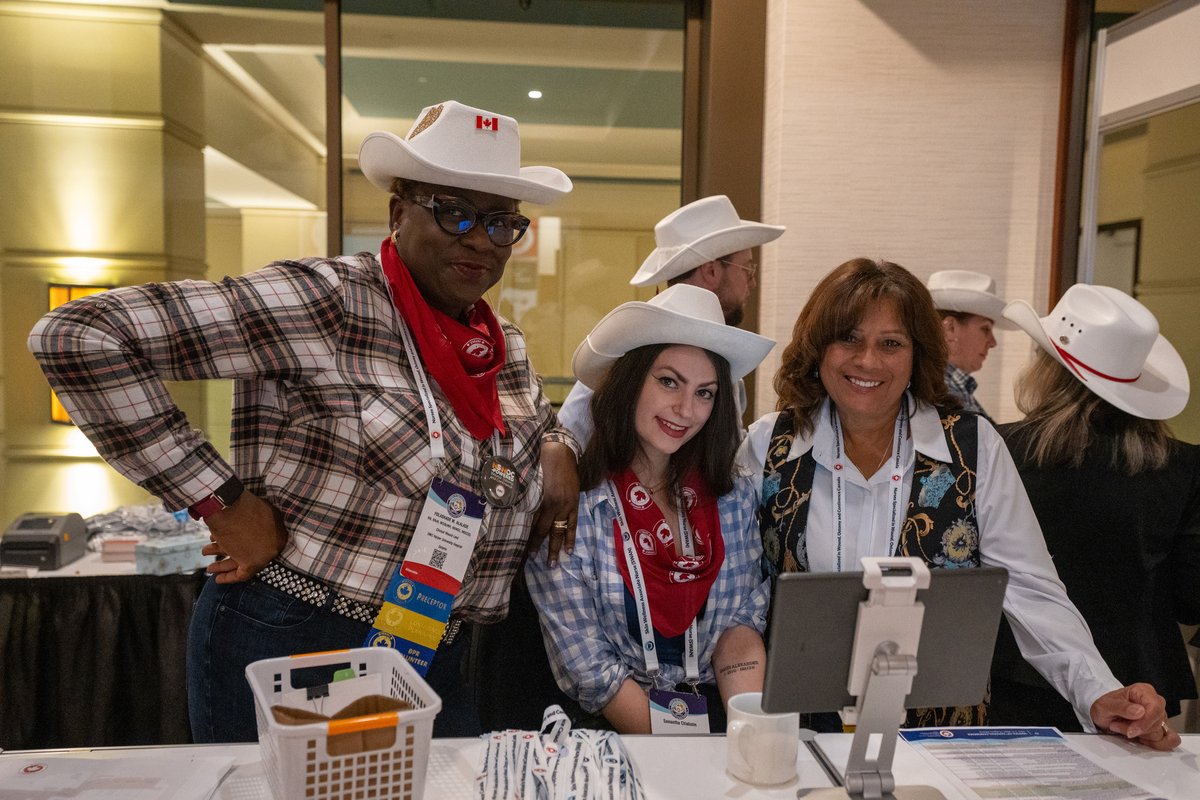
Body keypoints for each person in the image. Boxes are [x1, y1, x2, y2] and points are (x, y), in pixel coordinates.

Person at [27, 100, 581, 742]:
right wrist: (221, 501)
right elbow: (79, 337)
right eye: (455, 212)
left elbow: (532, 427)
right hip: (298, 635)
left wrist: (559, 448)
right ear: (399, 213)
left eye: (501, 223)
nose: (481, 240)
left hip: (432, 644)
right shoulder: (327, 302)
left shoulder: (499, 343)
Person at [736, 257, 1180, 750]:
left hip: (938, 741)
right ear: (818, 348)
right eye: (848, 338)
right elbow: (734, 596)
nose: (868, 361)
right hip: (795, 738)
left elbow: (1032, 589)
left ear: (918, 354)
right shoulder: (767, 446)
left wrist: (1098, 691)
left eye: (891, 343)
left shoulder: (974, 449)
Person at [526, 284, 775, 734]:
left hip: (720, 715)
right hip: (618, 729)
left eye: (705, 393)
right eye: (668, 381)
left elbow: (740, 624)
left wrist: (747, 734)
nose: (686, 409)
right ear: (630, 381)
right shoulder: (575, 503)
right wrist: (680, 751)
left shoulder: (733, 496)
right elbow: (589, 668)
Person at [988, 284, 1199, 733]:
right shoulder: (1185, 467)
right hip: (1143, 691)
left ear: (1047, 368)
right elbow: (1191, 597)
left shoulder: (998, 449)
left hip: (1014, 674)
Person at [556, 194, 784, 448]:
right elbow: (567, 439)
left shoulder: (724, 365)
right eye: (747, 269)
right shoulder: (632, 354)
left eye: (704, 393)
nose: (752, 282)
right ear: (711, 271)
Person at [926, 269, 1015, 422]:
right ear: (950, 328)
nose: (993, 342)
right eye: (985, 329)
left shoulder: (948, 387)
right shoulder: (938, 392)